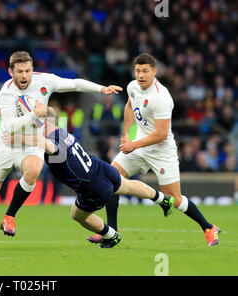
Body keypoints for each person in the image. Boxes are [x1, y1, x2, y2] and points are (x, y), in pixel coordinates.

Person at [0, 50, 122, 250]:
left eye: (27, 71)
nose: (24, 76)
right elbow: (9, 127)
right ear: (10, 72)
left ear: (32, 70)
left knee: (33, 170)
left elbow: (75, 83)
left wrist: (101, 89)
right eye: (19, 72)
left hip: (32, 142)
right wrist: (35, 114)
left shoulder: (45, 81)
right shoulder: (6, 93)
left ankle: (9, 217)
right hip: (7, 143)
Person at [88, 53, 220, 246]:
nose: (140, 75)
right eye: (138, 71)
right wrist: (126, 134)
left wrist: (133, 144)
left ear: (154, 72)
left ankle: (208, 227)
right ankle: (112, 233)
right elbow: (128, 106)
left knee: (174, 200)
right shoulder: (133, 86)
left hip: (161, 151)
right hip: (140, 144)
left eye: (145, 71)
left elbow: (161, 134)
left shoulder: (161, 97)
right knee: (111, 178)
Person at [2, 107, 175, 248]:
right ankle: (162, 199)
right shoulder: (63, 132)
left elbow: (46, 145)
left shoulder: (52, 139)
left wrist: (18, 137)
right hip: (101, 168)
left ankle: (111, 236)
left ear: (45, 122)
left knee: (77, 215)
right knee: (128, 185)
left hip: (92, 187)